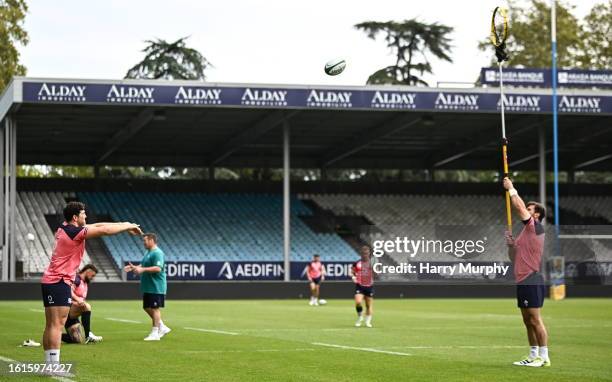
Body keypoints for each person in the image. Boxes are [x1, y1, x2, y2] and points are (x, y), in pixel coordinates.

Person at [41, 202, 141, 366]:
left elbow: (98, 225)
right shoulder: (73, 232)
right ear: (75, 217)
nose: (86, 216)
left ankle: (50, 364)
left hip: (52, 281)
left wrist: (124, 225)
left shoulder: (65, 228)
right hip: (59, 281)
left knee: (52, 324)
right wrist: (127, 226)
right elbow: (104, 230)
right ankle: (52, 366)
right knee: (56, 325)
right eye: (83, 214)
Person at [503, 177, 550, 367]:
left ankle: (544, 356)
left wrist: (511, 188)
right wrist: (511, 245)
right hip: (522, 280)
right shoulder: (525, 234)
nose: (528, 211)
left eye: (531, 210)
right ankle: (532, 355)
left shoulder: (536, 228)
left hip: (532, 278)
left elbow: (519, 208)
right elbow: (513, 258)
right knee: (526, 321)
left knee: (535, 319)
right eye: (528, 209)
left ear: (537, 215)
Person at [124, 233, 171, 341]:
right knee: (146, 307)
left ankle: (155, 333)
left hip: (156, 286)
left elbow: (158, 268)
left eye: (145, 240)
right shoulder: (148, 252)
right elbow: (143, 265)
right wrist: (134, 268)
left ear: (151, 240)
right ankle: (162, 326)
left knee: (155, 308)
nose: (143, 243)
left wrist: (142, 270)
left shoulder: (158, 253)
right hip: (148, 286)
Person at [61, 264, 103, 344]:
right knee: (87, 306)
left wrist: (79, 301)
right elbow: (69, 291)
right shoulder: (77, 279)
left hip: (73, 316)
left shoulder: (85, 283)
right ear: (88, 271)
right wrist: (77, 300)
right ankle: (88, 335)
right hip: (68, 310)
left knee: (77, 340)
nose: (92, 278)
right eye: (92, 275)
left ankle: (56, 335)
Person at [352, 245, 374, 328]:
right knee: (358, 302)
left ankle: (368, 321)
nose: (365, 255)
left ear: (369, 254)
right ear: (361, 254)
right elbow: (352, 271)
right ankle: (360, 317)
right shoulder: (357, 263)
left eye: (367, 253)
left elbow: (377, 272)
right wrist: (353, 277)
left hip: (369, 286)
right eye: (363, 253)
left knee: (368, 305)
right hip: (359, 285)